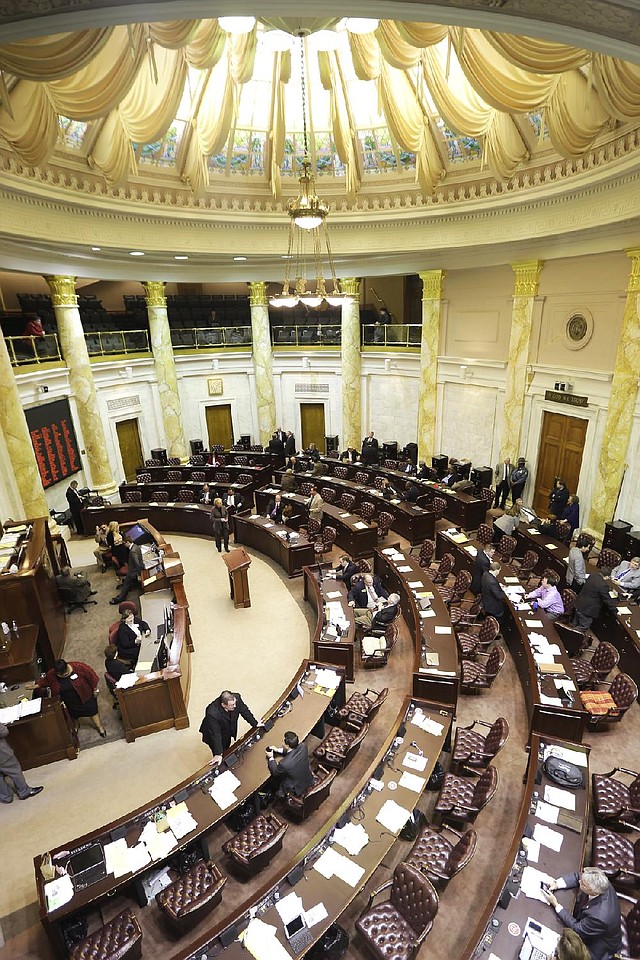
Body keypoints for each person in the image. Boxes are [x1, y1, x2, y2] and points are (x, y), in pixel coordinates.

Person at [542, 868, 621, 960]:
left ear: (594, 892)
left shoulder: (599, 917)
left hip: (597, 945)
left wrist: (556, 904)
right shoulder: (598, 881)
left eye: (583, 884)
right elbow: (577, 876)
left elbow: (577, 929)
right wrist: (556, 884)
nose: (579, 882)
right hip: (589, 922)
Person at [31, 659, 106, 738]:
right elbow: (45, 681)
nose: (65, 675)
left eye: (66, 672)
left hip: (86, 697)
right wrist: (34, 686)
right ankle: (76, 725)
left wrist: (95, 689)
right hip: (68, 701)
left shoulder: (79, 667)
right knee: (73, 715)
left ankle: (100, 727)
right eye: (61, 674)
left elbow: (92, 677)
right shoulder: (52, 674)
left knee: (92, 712)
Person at [199, 690, 260, 765]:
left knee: (227, 747)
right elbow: (215, 734)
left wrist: (255, 723)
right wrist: (218, 753)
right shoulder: (212, 713)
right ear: (223, 705)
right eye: (232, 705)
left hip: (227, 729)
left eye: (234, 703)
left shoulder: (237, 698)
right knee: (221, 751)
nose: (235, 706)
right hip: (213, 732)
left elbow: (244, 711)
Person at [0, 723, 43, 802]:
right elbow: (3, 731)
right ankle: (24, 792)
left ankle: (6, 797)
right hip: (2, 754)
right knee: (14, 770)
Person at [265, 731, 314, 798]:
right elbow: (292, 751)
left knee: (273, 781)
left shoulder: (284, 764)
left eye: (283, 741)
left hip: (297, 788)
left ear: (287, 745)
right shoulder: (303, 746)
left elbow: (275, 772)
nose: (282, 742)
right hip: (308, 778)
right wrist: (277, 750)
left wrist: (271, 757)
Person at [110, 534, 144, 604]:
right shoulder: (136, 546)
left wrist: (139, 573)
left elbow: (137, 563)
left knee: (126, 584)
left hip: (133, 570)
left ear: (128, 542)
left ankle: (121, 598)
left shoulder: (132, 552)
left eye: (124, 543)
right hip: (135, 567)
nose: (124, 545)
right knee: (127, 582)